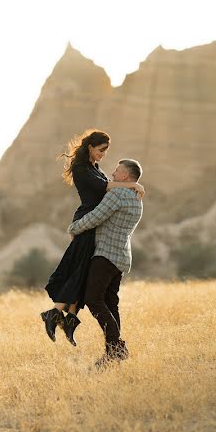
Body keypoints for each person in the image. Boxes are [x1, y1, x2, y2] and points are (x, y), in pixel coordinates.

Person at [40, 130, 144, 346]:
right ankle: (61, 316)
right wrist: (133, 185)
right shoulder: (81, 169)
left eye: (106, 151)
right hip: (86, 221)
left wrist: (132, 185)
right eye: (101, 150)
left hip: (93, 229)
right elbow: (104, 187)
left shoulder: (96, 168)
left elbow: (107, 188)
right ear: (90, 147)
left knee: (82, 273)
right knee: (75, 269)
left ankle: (67, 318)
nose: (104, 155)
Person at [67, 158, 144, 367]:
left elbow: (96, 217)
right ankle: (113, 352)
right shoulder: (137, 198)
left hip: (106, 255)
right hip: (121, 257)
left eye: (118, 170)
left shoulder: (117, 194)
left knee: (93, 300)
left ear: (126, 176)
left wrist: (74, 228)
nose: (113, 172)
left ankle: (116, 348)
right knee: (110, 303)